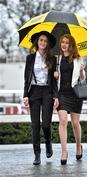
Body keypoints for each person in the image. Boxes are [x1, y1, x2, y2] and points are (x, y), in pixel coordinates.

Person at [23, 31, 59, 165]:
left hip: (47, 92)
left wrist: (56, 94)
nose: (43, 43)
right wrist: (25, 95)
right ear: (37, 42)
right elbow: (26, 78)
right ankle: (37, 154)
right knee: (35, 125)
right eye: (41, 40)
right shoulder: (30, 58)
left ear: (48, 44)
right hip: (34, 92)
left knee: (45, 123)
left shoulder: (53, 59)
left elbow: (54, 81)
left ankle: (48, 142)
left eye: (45, 41)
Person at [54, 34, 86, 165]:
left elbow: (83, 79)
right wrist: (55, 75)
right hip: (62, 93)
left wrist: (82, 71)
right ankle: (64, 151)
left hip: (75, 94)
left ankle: (78, 146)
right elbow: (55, 77)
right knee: (62, 121)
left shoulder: (78, 58)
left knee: (75, 123)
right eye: (62, 42)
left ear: (71, 44)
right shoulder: (58, 58)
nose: (64, 44)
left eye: (66, 42)